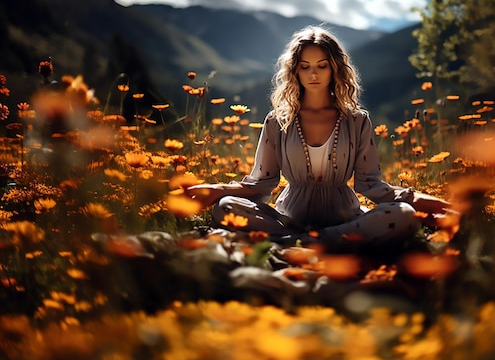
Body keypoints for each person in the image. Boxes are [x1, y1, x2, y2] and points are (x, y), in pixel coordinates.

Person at [186, 26, 450, 248]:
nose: (313, 74)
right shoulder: (277, 121)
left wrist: (427, 202)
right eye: (305, 66)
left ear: (335, 69)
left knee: (401, 214)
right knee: (226, 206)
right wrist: (217, 189)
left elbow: (371, 186)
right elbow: (261, 184)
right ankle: (318, 244)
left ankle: (300, 243)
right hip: (287, 218)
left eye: (322, 66)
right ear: (295, 71)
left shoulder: (357, 120)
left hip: (345, 219)